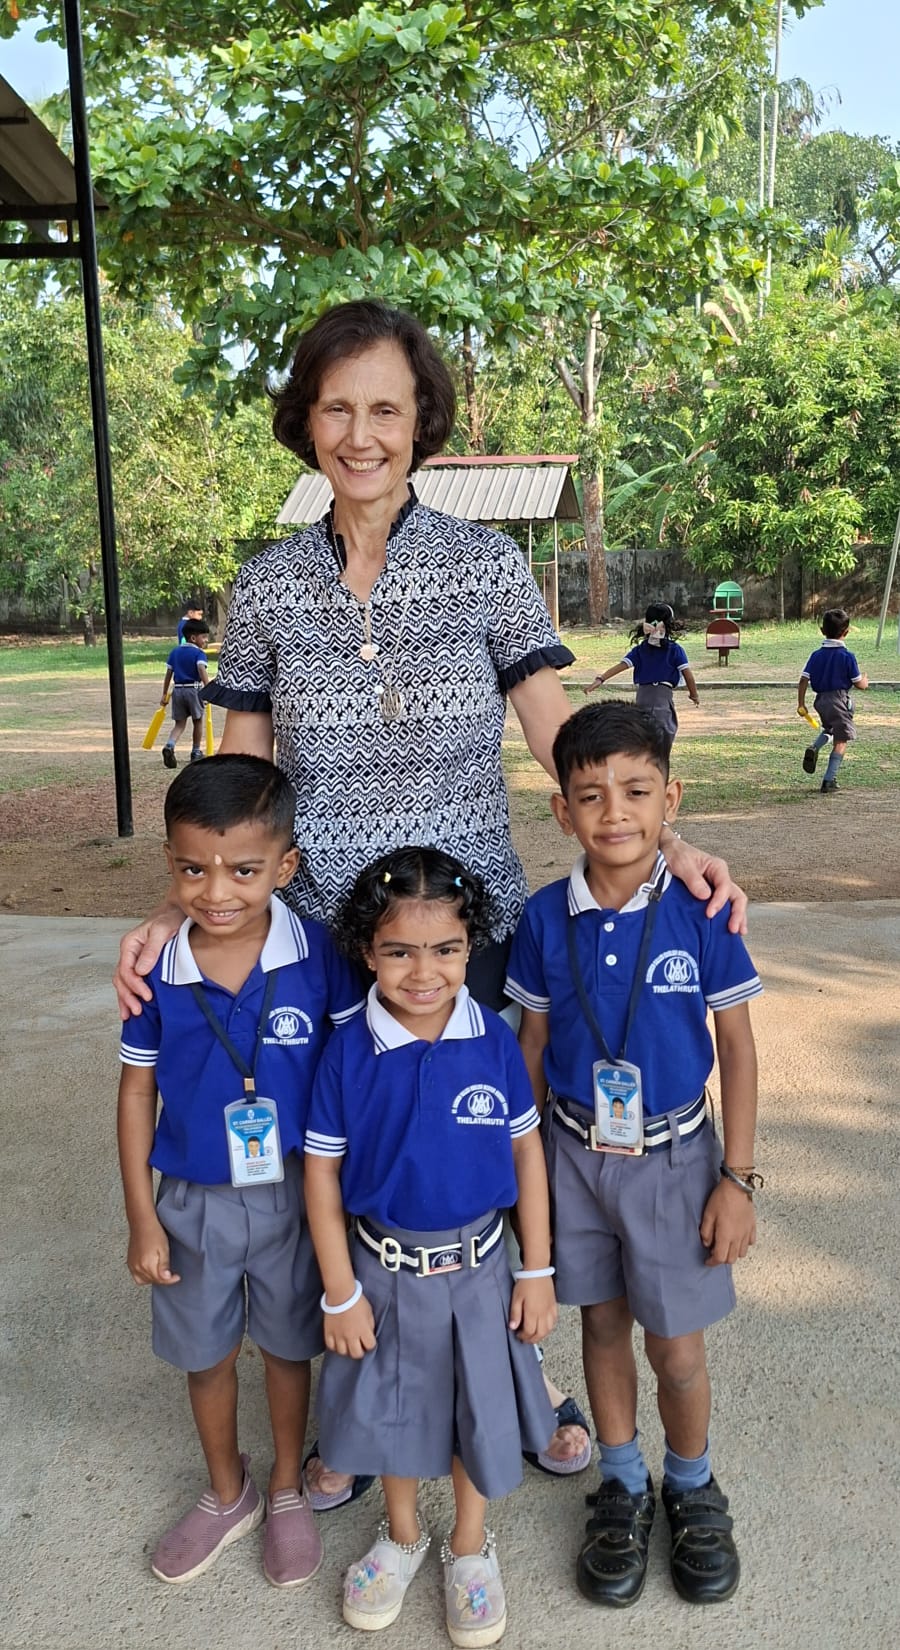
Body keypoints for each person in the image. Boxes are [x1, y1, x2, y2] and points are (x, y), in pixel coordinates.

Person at [113, 298, 747, 1495]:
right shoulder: (268, 587)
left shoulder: (484, 565)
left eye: (386, 409)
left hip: (468, 929)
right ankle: (368, 1400)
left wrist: (671, 841)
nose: (361, 434)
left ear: (422, 423)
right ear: (306, 421)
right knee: (352, 1153)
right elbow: (241, 780)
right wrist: (183, 905)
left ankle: (515, 1372)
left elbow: (561, 733)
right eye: (337, 408)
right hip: (325, 936)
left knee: (476, 1146)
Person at [506, 701, 763, 1609]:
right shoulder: (545, 917)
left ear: (671, 798)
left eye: (637, 791)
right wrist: (521, 1175)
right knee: (602, 1325)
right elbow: (533, 1046)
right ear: (562, 812)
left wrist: (736, 1178)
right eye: (590, 796)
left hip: (677, 1161)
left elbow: (737, 1048)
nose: (615, 812)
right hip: (574, 1156)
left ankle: (690, 1483)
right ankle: (621, 1482)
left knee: (677, 1348)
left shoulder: (704, 911)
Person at [116, 754, 364, 1586]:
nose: (216, 891)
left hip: (298, 1193)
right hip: (193, 1201)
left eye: (244, 870)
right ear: (170, 863)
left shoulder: (319, 955)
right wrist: (143, 1219)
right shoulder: (157, 970)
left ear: (286, 866)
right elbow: (136, 1092)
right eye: (193, 868)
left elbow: (351, 1072)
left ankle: (287, 1486)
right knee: (208, 1354)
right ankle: (229, 1493)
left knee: (290, 1348)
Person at [304, 847, 558, 1644]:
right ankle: (404, 1535)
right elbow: (321, 1173)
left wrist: (538, 1270)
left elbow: (526, 1153)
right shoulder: (348, 1050)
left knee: (477, 1410)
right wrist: (340, 1291)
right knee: (395, 1412)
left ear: (471, 945)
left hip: (482, 1273)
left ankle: (470, 1547)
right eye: (399, 952)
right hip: (381, 1273)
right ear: (366, 951)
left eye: (446, 949)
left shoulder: (493, 1042)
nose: (424, 973)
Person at [586, 600, 699, 748]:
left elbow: (621, 666)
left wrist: (600, 679)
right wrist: (694, 695)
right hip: (662, 699)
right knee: (663, 736)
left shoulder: (640, 650)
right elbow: (688, 675)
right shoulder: (675, 650)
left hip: (642, 698)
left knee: (643, 736)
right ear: (669, 624)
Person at [798, 608, 868, 793]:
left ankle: (815, 747)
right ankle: (829, 780)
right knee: (841, 740)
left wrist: (801, 704)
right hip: (839, 700)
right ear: (847, 632)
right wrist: (865, 681)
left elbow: (803, 680)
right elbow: (859, 684)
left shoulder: (816, 655)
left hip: (821, 701)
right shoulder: (847, 656)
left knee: (830, 729)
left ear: (822, 631)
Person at [160, 618, 209, 769]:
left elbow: (168, 673)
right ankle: (195, 751)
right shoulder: (199, 653)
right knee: (198, 721)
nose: (206, 640)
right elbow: (201, 669)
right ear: (193, 638)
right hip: (193, 690)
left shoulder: (175, 652)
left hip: (178, 690)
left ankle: (170, 745)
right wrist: (208, 689)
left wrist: (164, 693)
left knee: (180, 723)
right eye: (204, 637)